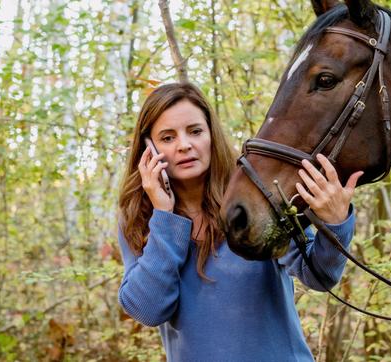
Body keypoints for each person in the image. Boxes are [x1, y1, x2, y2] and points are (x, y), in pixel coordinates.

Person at [117, 82, 363, 362]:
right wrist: (165, 216)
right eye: (168, 137)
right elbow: (148, 310)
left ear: (211, 135)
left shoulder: (253, 197)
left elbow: (319, 275)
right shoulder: (140, 218)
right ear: (149, 149)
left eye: (195, 131)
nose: (185, 145)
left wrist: (335, 224)